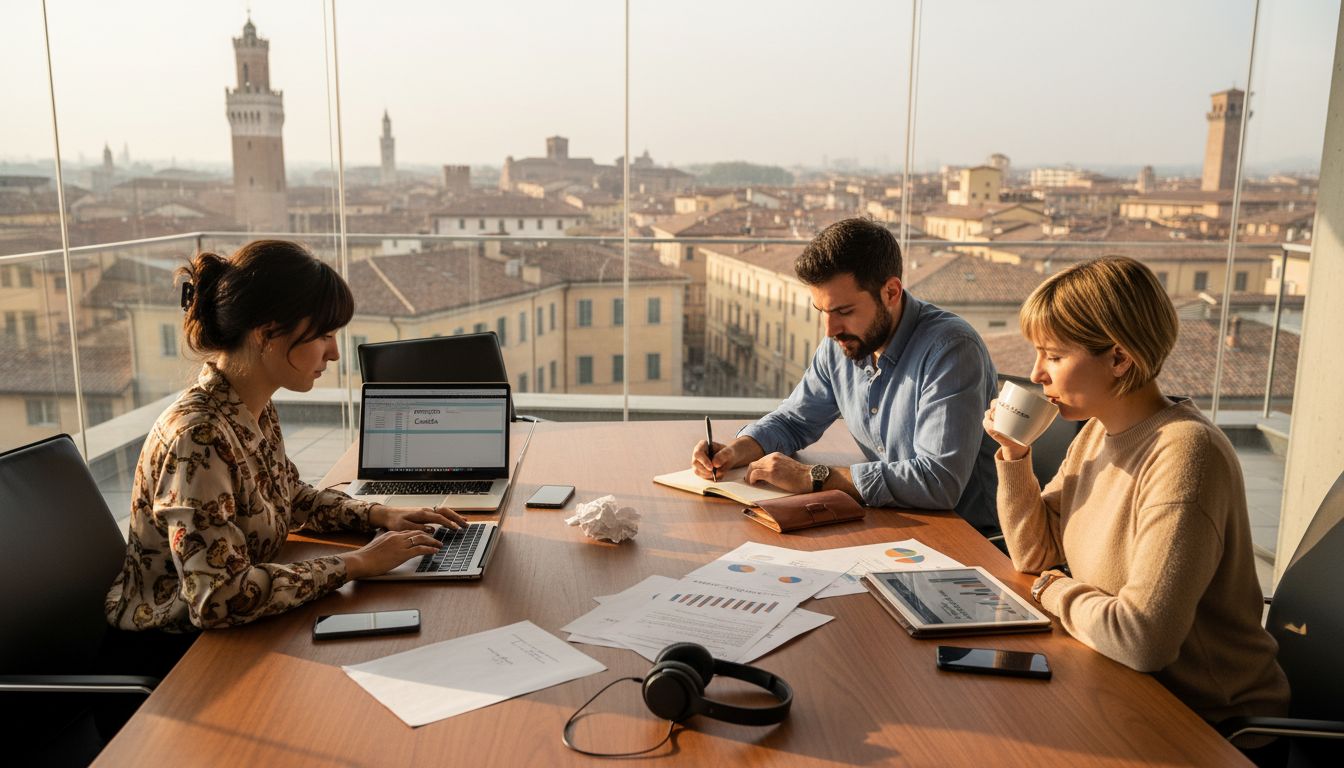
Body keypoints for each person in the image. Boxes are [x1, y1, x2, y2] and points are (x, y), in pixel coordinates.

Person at [983, 256, 1288, 762]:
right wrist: (1015, 455)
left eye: (1053, 356)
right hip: (1120, 686)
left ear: (1119, 358)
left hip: (1210, 729)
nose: (1036, 374)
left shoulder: (1185, 454)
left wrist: (1052, 589)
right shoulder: (1097, 432)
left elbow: (1143, 640)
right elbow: (1034, 553)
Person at [105, 240, 463, 648]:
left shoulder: (250, 406)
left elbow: (289, 497)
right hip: (179, 653)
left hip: (240, 630)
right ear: (267, 335)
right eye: (323, 335)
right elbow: (217, 598)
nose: (334, 353)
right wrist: (358, 563)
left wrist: (380, 515)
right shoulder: (198, 438)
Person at [692, 217, 1000, 534]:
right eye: (822, 312)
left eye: (844, 311)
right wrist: (738, 450)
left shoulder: (952, 350)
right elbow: (794, 421)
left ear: (891, 292)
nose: (830, 330)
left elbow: (937, 482)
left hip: (967, 538)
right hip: (889, 522)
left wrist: (813, 476)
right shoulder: (843, 343)